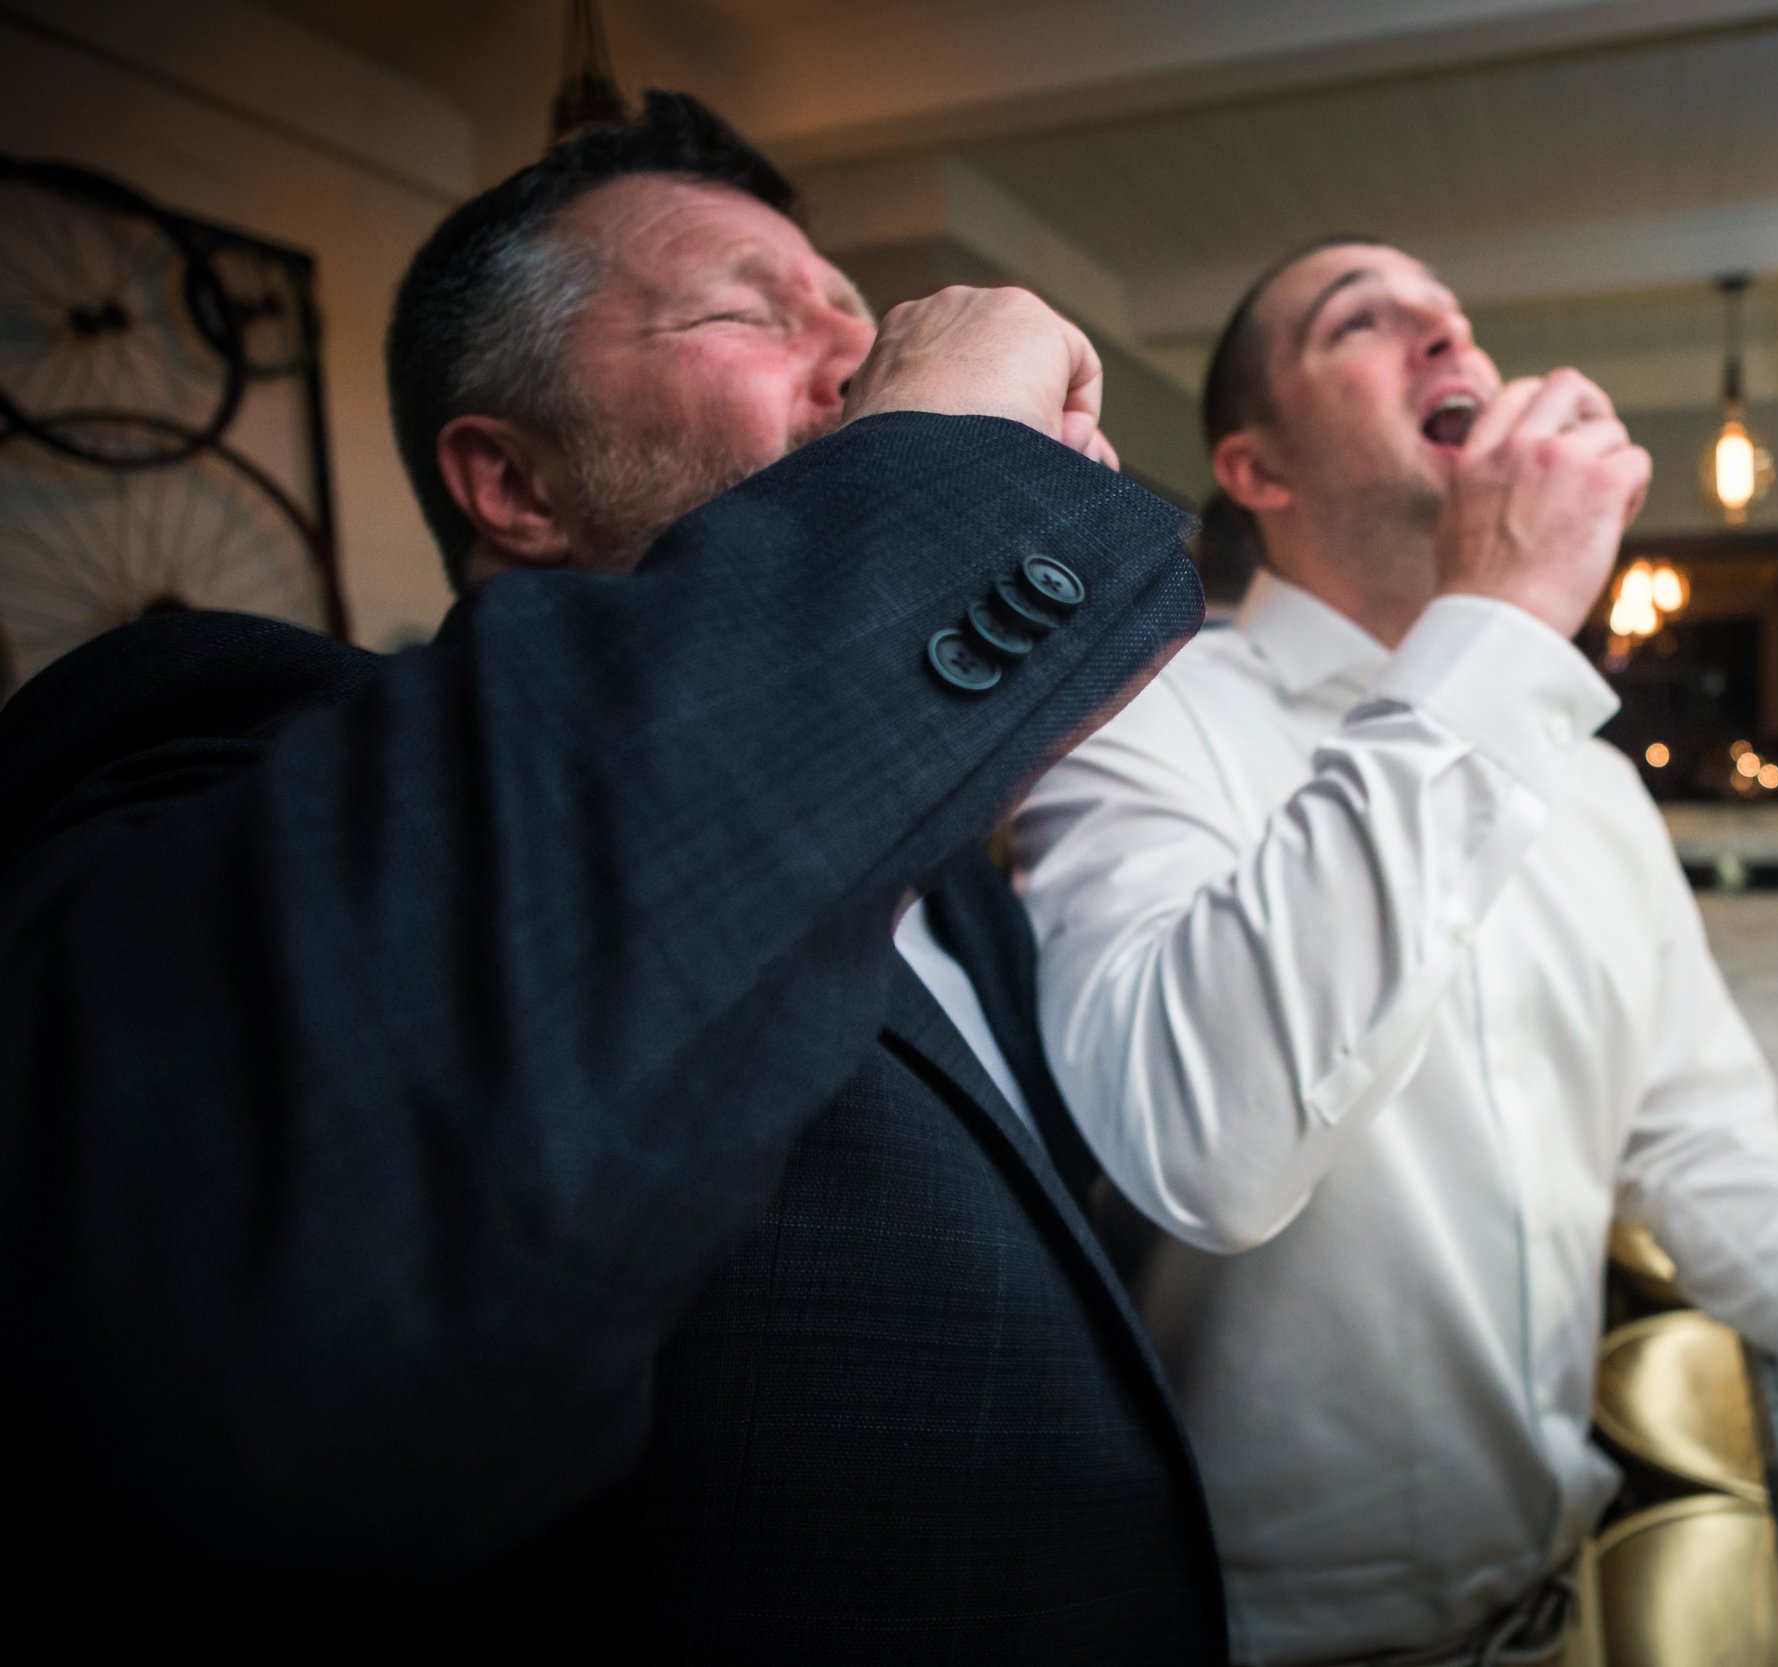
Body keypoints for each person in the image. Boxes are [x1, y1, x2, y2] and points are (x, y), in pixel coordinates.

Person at [0, 93, 1225, 1659]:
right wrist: (939, 481)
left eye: (871, 332)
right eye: (747, 312)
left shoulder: (964, 865)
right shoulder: (244, 745)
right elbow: (270, 1336)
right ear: (511, 481)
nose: (861, 365)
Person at [1013, 238, 1778, 1665]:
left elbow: (1692, 1121)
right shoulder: (1145, 714)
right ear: (1256, 470)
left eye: (1458, 318)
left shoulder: (1588, 778)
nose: (1448, 337)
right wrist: (1498, 621)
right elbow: (1206, 1145)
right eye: (1366, 322)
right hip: (1240, 1620)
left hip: (1558, 1590)